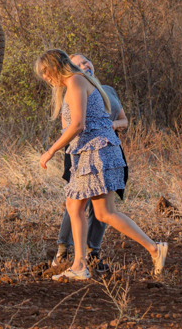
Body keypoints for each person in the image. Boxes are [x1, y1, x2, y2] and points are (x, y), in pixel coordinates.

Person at [36, 49, 167, 281]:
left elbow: (77, 125)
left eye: (46, 73)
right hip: (96, 151)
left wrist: (50, 151)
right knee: (100, 212)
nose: (45, 78)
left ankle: (79, 265)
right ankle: (153, 248)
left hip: (96, 153)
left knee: (82, 208)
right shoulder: (76, 82)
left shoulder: (76, 80)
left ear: (55, 67)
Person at [54, 54, 129, 272]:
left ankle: (92, 253)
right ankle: (63, 251)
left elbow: (124, 121)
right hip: (81, 150)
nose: (84, 65)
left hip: (108, 149)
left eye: (86, 61)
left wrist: (111, 125)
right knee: (76, 203)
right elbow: (69, 125)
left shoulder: (108, 90)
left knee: (102, 208)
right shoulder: (72, 89)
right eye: (78, 64)